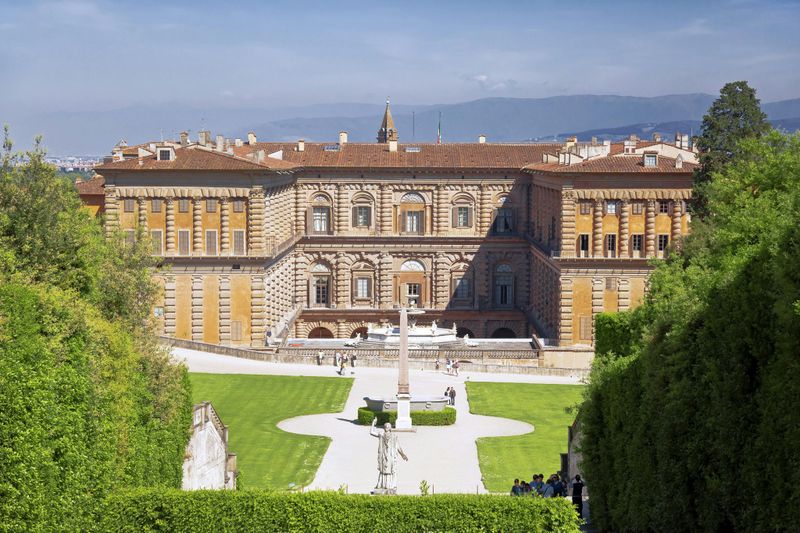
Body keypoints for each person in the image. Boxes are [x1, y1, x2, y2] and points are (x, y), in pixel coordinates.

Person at [370, 418, 408, 494]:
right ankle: (382, 485)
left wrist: (403, 454)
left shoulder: (394, 437)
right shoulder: (381, 435)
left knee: (391, 470)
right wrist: (373, 423)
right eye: (385, 426)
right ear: (384, 428)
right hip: (383, 455)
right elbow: (371, 432)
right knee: (383, 470)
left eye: (388, 426)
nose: (387, 427)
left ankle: (390, 485)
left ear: (390, 428)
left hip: (391, 455)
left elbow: (398, 446)